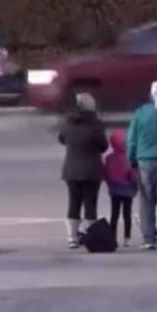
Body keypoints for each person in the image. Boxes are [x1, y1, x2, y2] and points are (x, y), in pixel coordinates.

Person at [59, 93, 108, 248]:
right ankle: (90, 235)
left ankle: (72, 237)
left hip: (71, 168)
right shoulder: (96, 124)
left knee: (73, 202)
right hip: (92, 169)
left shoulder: (67, 122)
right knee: (90, 204)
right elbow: (103, 146)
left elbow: (62, 139)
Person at [127, 81, 157, 250]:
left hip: (145, 161)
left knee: (147, 201)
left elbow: (132, 140)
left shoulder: (141, 113)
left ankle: (149, 238)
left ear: (150, 95)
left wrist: (131, 160)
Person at [103, 129, 137, 248]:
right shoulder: (130, 157)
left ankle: (112, 237)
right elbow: (133, 175)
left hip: (114, 190)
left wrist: (109, 183)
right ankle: (127, 238)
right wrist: (135, 185)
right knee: (127, 214)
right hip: (128, 190)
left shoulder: (109, 158)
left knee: (114, 214)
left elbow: (105, 173)